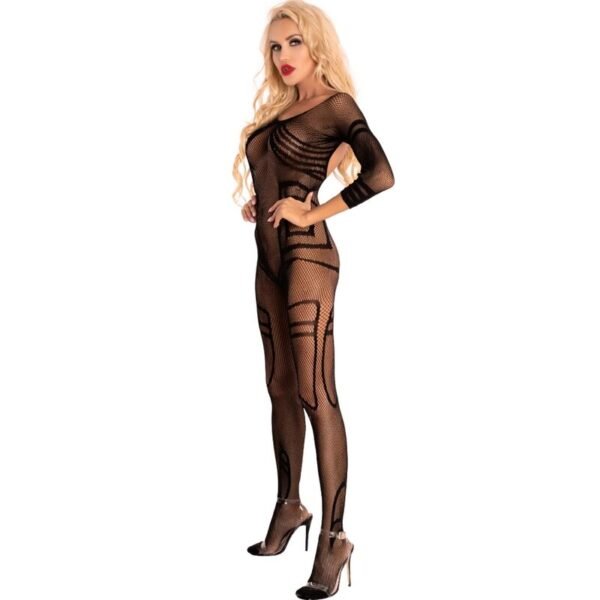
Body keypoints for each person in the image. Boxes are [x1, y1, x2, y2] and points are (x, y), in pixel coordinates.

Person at [231, 1, 395, 597]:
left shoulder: (336, 105)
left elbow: (381, 174)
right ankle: (288, 506)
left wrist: (311, 210)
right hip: (268, 261)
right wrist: (264, 201)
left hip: (308, 260)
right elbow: (278, 171)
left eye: (294, 42)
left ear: (316, 44)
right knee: (278, 387)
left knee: (314, 392)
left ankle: (335, 537)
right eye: (275, 47)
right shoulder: (283, 110)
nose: (283, 56)